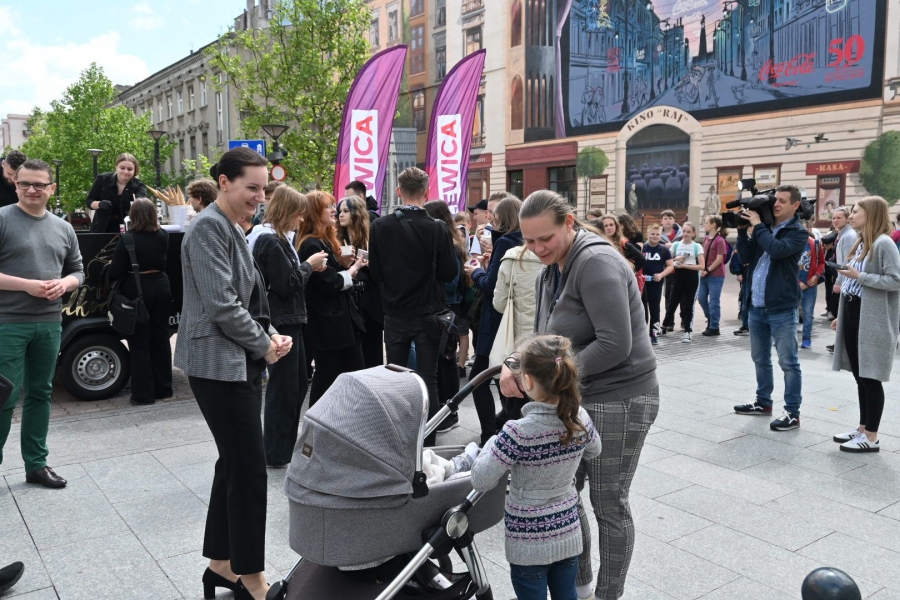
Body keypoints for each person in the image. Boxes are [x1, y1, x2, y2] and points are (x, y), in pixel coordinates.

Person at [499, 190, 658, 600]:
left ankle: (607, 594)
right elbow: (546, 336)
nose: (537, 248)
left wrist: (552, 381)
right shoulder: (553, 266)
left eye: (545, 238)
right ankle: (581, 587)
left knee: (608, 504)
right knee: (567, 497)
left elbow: (615, 344)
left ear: (569, 223)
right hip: (581, 395)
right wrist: (516, 362)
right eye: (529, 241)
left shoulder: (596, 262)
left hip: (620, 397)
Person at [174, 147, 294, 600]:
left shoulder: (229, 226)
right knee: (248, 471)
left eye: (264, 189)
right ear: (224, 182)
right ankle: (251, 577)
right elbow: (223, 306)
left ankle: (222, 565)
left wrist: (271, 335)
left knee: (233, 463)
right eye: (252, 187)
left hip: (234, 361)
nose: (260, 197)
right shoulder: (209, 228)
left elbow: (247, 300)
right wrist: (264, 346)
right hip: (218, 365)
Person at [471, 335, 601, 600]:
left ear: (527, 381)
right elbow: (595, 449)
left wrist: (492, 443)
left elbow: (481, 479)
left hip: (528, 541)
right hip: (567, 531)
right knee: (567, 595)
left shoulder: (517, 432)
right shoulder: (579, 418)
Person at [0, 159, 84, 490]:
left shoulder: (63, 227)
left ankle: (36, 465)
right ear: (15, 185)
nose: (31, 190)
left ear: (52, 188)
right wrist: (27, 286)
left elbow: (78, 270)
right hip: (8, 322)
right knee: (4, 396)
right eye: (24, 183)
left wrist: (65, 284)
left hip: (49, 322)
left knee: (41, 393)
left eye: (39, 184)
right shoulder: (3, 219)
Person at [369, 167, 457, 447]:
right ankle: (426, 443)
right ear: (426, 192)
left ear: (398, 191)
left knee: (395, 379)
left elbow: (376, 272)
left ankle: (397, 440)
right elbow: (450, 272)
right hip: (428, 313)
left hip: (394, 313)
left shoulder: (380, 226)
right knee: (428, 380)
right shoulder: (437, 227)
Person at [252, 187, 328, 467]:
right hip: (283, 321)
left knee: (294, 385)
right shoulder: (271, 240)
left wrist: (307, 268)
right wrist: (309, 264)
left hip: (289, 319)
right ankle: (275, 451)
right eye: (299, 214)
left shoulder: (277, 239)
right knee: (284, 388)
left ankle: (281, 447)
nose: (301, 219)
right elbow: (287, 284)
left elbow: (287, 279)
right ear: (287, 212)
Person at [734, 185, 809, 431]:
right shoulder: (765, 227)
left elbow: (777, 251)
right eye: (775, 200)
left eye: (783, 201)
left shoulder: (797, 232)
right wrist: (742, 230)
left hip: (781, 307)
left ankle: (792, 413)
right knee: (760, 358)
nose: (776, 204)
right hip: (756, 306)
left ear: (795, 205)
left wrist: (758, 227)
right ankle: (763, 402)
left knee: (788, 362)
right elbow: (746, 258)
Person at [830, 196, 900, 452]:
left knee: (870, 377)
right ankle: (862, 428)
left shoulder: (884, 243)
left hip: (872, 317)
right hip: (854, 311)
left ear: (871, 213)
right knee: (860, 376)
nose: (851, 215)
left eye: (856, 211)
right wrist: (842, 315)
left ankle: (871, 436)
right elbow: (852, 282)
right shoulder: (863, 241)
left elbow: (896, 280)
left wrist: (860, 275)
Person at [298, 191, 367, 407]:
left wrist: (345, 263)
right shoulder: (311, 244)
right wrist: (354, 268)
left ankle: (340, 418)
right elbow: (330, 283)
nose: (333, 210)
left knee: (348, 373)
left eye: (333, 206)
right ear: (314, 212)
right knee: (328, 374)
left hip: (340, 321)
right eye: (328, 206)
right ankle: (318, 419)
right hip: (328, 324)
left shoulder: (326, 240)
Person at [464, 196, 525, 440]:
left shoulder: (505, 242)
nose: (490, 218)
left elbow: (493, 288)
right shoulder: (521, 240)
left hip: (496, 323)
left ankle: (490, 435)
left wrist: (476, 272)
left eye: (494, 214)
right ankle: (507, 430)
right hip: (516, 322)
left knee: (479, 380)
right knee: (505, 377)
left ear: (503, 217)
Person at [107, 198, 173, 405]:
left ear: (133, 215)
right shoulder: (163, 235)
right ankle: (164, 389)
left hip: (137, 291)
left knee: (139, 343)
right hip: (162, 287)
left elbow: (115, 271)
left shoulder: (128, 239)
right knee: (161, 338)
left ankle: (144, 395)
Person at [425, 200, 470, 430]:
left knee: (446, 361)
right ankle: (446, 410)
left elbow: (451, 282)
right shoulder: (449, 241)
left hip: (449, 309)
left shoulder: (450, 245)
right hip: (445, 308)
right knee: (443, 361)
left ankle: (450, 412)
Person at [337, 195, 384, 369]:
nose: (341, 215)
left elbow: (382, 271)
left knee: (372, 351)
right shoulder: (336, 238)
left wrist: (370, 264)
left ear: (356, 213)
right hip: (348, 303)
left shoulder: (371, 237)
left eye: (345, 211)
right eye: (339, 211)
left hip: (370, 303)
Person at [661, 222, 705, 343]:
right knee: (673, 302)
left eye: (688, 232)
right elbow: (667, 261)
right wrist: (676, 259)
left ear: (694, 233)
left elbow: (702, 266)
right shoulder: (676, 245)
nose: (685, 234)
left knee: (688, 304)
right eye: (684, 231)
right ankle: (664, 326)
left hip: (691, 277)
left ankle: (687, 331)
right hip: (678, 276)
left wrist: (685, 265)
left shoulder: (697, 246)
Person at [86, 153, 148, 233]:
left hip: (128, 229)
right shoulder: (102, 179)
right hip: (101, 228)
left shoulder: (139, 186)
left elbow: (141, 204)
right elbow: (89, 201)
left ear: (134, 171)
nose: (126, 171)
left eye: (129, 169)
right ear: (116, 167)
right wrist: (100, 204)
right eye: (122, 168)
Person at [827, 208, 857, 352]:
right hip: (842, 276)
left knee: (842, 312)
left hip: (845, 278)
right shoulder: (842, 234)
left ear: (846, 219)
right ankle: (840, 343)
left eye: (839, 218)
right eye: (834, 218)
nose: (835, 220)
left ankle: (842, 344)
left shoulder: (848, 236)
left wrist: (839, 282)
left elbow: (846, 262)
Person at [642, 224, 674, 345]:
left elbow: (670, 266)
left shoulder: (664, 250)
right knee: (641, 309)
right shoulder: (642, 248)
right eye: (652, 234)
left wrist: (661, 275)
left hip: (656, 284)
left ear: (661, 236)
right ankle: (640, 334)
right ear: (647, 235)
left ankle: (654, 334)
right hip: (642, 284)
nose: (655, 236)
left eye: (657, 234)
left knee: (655, 310)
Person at [698, 215, 728, 336]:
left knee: (714, 301)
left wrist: (708, 270)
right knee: (701, 298)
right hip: (704, 274)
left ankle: (714, 327)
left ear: (713, 224)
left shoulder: (720, 240)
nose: (704, 224)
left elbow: (719, 259)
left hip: (716, 275)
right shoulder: (706, 238)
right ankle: (710, 318)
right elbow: (703, 255)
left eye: (706, 222)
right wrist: (701, 268)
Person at [798, 220, 825, 349]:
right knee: (791, 312)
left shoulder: (815, 244)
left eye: (803, 228)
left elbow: (822, 262)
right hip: (794, 285)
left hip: (810, 285)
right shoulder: (792, 244)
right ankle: (786, 338)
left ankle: (806, 338)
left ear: (809, 229)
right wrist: (798, 282)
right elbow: (787, 266)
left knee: (808, 313)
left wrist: (816, 275)